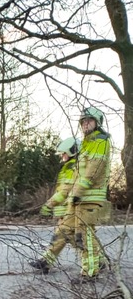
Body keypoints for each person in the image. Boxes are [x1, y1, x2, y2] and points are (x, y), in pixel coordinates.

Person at [31, 107, 111, 281]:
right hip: (79, 198)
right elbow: (79, 176)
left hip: (89, 197)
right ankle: (96, 263)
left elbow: (93, 171)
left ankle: (90, 272)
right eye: (83, 121)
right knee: (70, 233)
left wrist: (76, 193)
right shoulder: (87, 143)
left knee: (84, 235)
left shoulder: (100, 141)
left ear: (97, 123)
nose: (85, 124)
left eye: (89, 121)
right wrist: (74, 196)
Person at [29, 136, 80, 274]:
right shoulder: (71, 166)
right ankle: (98, 261)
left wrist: (49, 204)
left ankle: (45, 261)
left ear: (72, 151)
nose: (62, 156)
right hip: (68, 209)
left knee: (61, 235)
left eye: (64, 153)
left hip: (71, 208)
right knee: (73, 238)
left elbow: (65, 190)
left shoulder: (71, 168)